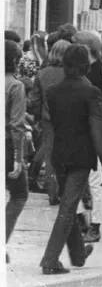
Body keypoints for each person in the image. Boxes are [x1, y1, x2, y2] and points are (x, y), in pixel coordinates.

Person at [39, 44, 102, 275]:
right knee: (68, 208)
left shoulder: (52, 91)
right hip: (82, 156)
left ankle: (78, 255)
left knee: (68, 204)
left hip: (59, 155)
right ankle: (50, 259)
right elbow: (97, 130)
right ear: (85, 65)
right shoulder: (91, 92)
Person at [71, 31, 102, 242]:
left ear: (87, 48)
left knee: (96, 180)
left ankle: (96, 224)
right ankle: (82, 218)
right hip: (79, 128)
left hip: (97, 129)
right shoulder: (76, 70)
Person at [29, 39, 71, 205]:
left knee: (50, 156)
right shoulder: (72, 73)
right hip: (69, 119)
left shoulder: (42, 73)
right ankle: (66, 191)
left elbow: (35, 100)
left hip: (48, 120)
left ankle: (53, 193)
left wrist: (37, 118)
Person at [6, 40, 29, 261]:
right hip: (8, 144)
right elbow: (16, 125)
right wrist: (18, 158)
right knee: (20, 194)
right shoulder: (15, 85)